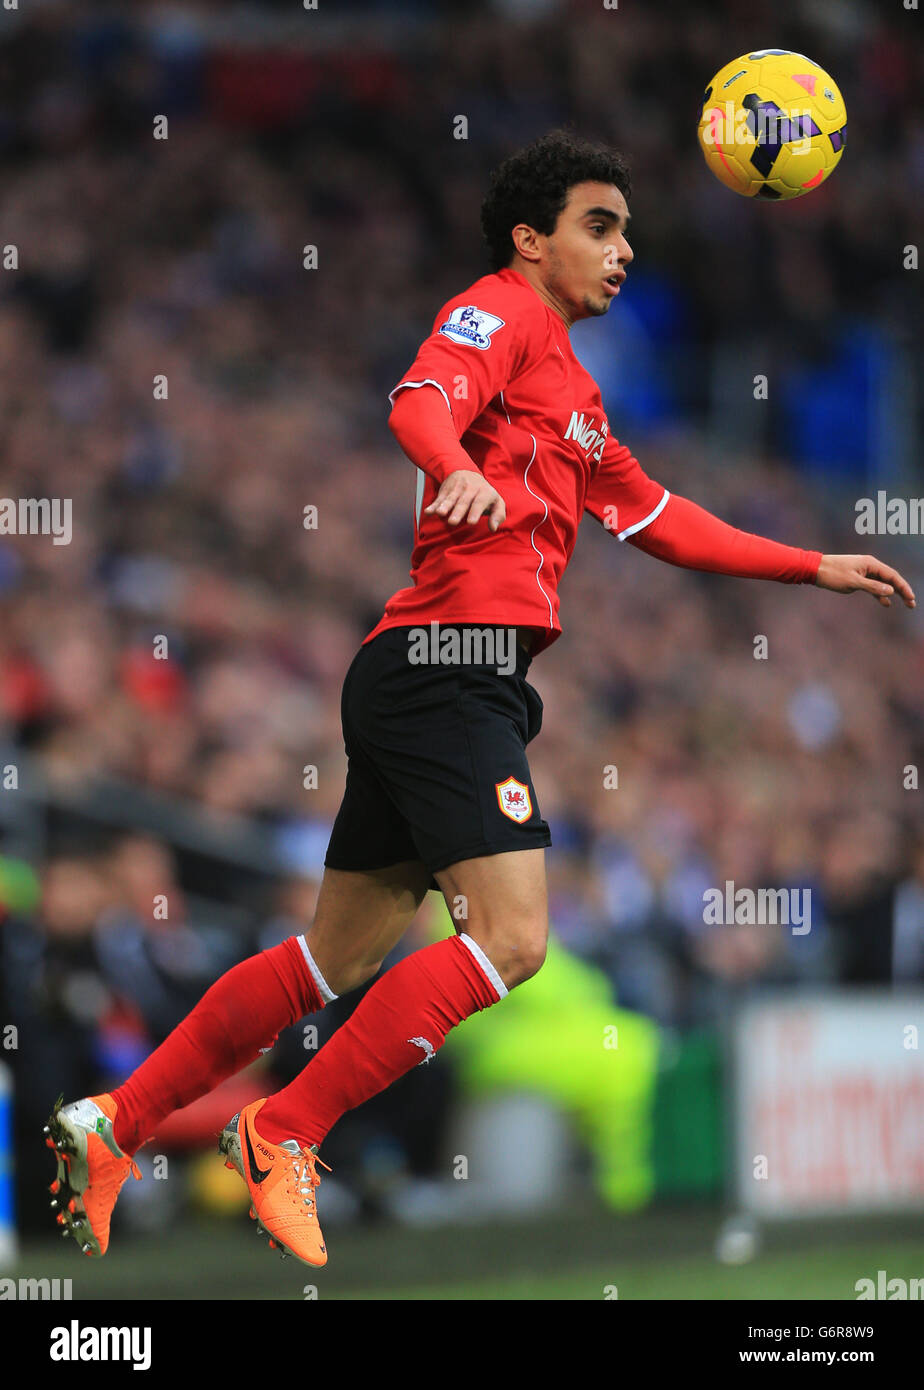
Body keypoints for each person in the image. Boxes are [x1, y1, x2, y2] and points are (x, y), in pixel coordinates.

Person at [44, 130, 915, 1268]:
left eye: (627, 229)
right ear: (529, 237)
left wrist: (814, 564)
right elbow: (419, 400)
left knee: (330, 961)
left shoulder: (575, 388)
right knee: (512, 937)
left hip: (442, 676)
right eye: (599, 226)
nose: (623, 250)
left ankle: (115, 1124)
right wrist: (448, 458)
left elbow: (659, 518)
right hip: (449, 668)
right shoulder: (498, 312)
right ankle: (285, 1129)